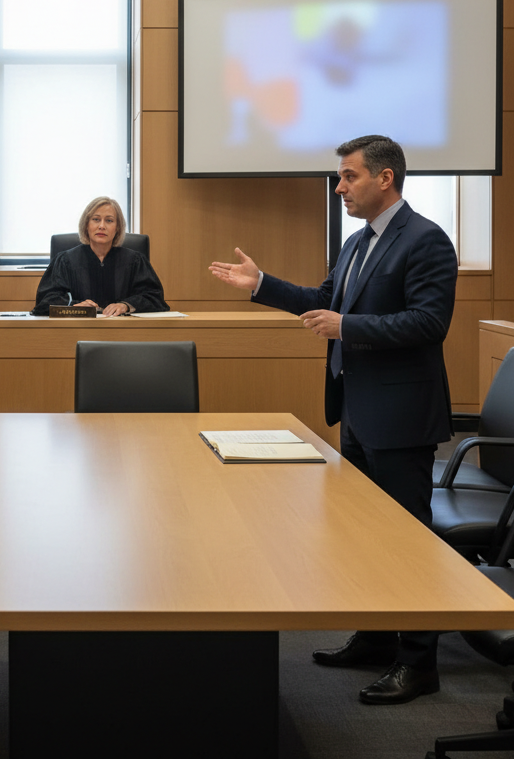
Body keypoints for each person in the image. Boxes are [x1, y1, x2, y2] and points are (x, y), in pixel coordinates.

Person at [209, 134, 457, 705]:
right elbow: (324, 299)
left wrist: (349, 327)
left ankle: (419, 663)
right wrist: (263, 285)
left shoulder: (425, 239)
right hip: (357, 410)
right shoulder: (356, 241)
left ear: (385, 178)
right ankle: (375, 638)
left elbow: (429, 323)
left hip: (401, 416)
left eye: (349, 176)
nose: (339, 187)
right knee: (365, 536)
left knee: (407, 541)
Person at [32, 196, 169, 316]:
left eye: (109, 220)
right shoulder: (65, 261)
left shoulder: (135, 261)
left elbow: (155, 298)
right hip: (77, 330)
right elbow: (45, 301)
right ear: (86, 225)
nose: (102, 226)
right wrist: (74, 306)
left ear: (118, 228)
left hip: (123, 331)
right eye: (96, 219)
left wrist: (126, 305)